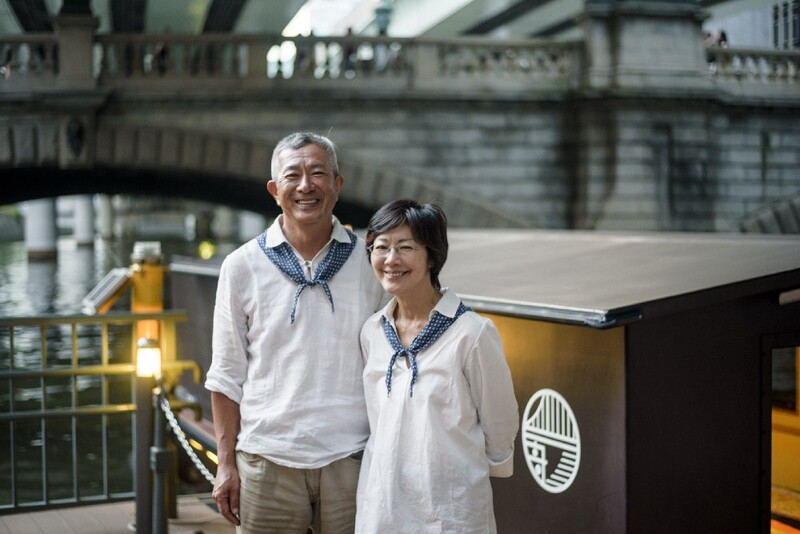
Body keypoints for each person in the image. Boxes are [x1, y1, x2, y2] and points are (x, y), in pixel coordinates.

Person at [205, 132, 385, 533]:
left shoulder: (370, 262)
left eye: (319, 173)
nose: (306, 185)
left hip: (353, 458)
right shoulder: (241, 266)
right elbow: (226, 372)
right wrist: (226, 463)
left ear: (337, 185)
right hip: (266, 460)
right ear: (274, 189)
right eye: (294, 175)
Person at [356, 199, 519, 533]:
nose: (390, 259)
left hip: (451, 511)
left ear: (433, 255)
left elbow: (500, 426)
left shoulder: (471, 333)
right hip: (382, 507)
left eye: (405, 247)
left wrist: (458, 471)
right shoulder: (373, 331)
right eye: (380, 247)